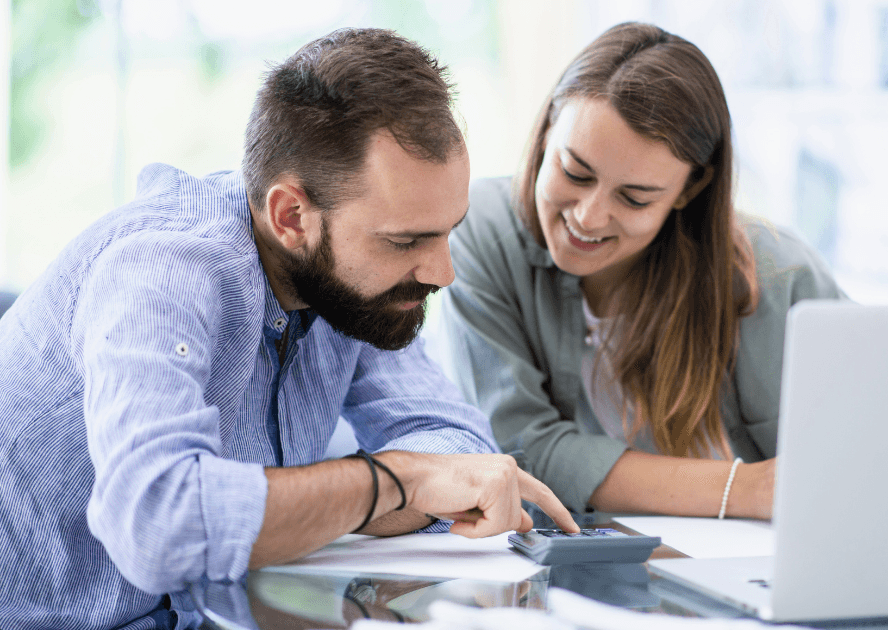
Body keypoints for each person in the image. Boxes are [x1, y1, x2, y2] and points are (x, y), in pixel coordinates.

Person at [0, 28, 576, 630]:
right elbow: (160, 528)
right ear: (290, 216)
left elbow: (457, 449)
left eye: (447, 229)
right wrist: (393, 482)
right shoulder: (160, 271)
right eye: (406, 240)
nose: (443, 271)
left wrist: (369, 494)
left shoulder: (355, 288)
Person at [442, 22, 846, 523]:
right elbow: (517, 455)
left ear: (688, 190)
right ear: (547, 131)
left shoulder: (780, 276)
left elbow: (862, 459)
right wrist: (749, 490)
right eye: (574, 171)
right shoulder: (479, 229)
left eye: (634, 198)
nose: (588, 217)